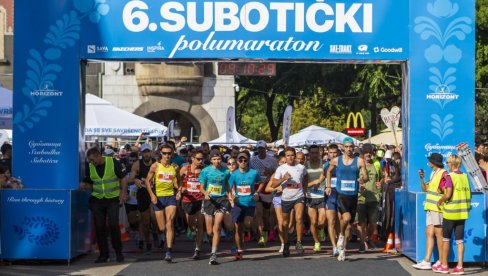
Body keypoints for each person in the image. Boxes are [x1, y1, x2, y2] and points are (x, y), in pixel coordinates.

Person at [82, 147, 128, 263]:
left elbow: (123, 178)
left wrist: (123, 192)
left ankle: (118, 252)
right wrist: (83, 185)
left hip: (112, 199)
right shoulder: (90, 166)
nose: (92, 162)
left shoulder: (113, 162)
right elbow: (90, 181)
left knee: (113, 225)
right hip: (97, 200)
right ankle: (103, 255)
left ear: (98, 156)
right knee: (99, 227)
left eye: (93, 160)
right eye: (90, 161)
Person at [326, 137, 368, 261]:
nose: (349, 149)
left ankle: (342, 246)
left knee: (349, 225)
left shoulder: (359, 161)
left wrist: (362, 180)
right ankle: (341, 237)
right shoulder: (336, 160)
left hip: (353, 196)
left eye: (351, 147)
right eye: (347, 147)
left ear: (354, 148)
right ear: (343, 148)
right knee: (347, 217)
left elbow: (366, 176)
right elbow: (328, 172)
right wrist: (328, 185)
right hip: (341, 195)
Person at [434, 154, 471, 274]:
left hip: (450, 213)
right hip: (462, 213)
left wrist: (439, 201)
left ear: (452, 164)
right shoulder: (465, 176)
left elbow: (448, 194)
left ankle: (444, 265)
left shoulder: (450, 176)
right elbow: (468, 194)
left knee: (446, 239)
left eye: (448, 162)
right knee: (460, 240)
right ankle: (460, 266)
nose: (447, 164)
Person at [145, 144, 180, 262]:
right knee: (161, 227)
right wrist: (152, 195)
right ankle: (159, 234)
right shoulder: (155, 166)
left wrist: (179, 190)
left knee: (169, 223)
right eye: (164, 153)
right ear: (161, 153)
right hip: (158, 197)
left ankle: (169, 251)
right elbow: (147, 181)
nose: (167, 156)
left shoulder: (175, 167)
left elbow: (177, 181)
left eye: (169, 153)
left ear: (172, 153)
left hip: (170, 197)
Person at [413, 153, 447, 270]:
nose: (428, 162)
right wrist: (421, 178)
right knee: (429, 233)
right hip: (430, 207)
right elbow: (425, 189)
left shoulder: (443, 173)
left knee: (439, 234)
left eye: (430, 161)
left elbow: (446, 190)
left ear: (434, 162)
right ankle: (427, 260)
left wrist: (441, 190)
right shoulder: (433, 172)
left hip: (438, 208)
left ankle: (442, 262)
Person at [272, 147, 308, 257]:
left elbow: (305, 177)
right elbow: (273, 184)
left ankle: (298, 242)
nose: (290, 157)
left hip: (299, 196)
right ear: (285, 157)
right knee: (284, 223)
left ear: (295, 155)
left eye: (292, 155)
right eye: (288, 155)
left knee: (298, 218)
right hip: (286, 198)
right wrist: (284, 179)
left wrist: (305, 189)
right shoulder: (281, 168)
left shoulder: (301, 167)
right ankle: (286, 243)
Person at [199, 149, 232, 265]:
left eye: (218, 159)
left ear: (221, 159)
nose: (217, 161)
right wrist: (205, 193)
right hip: (209, 200)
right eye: (214, 159)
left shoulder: (225, 171)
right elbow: (201, 187)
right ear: (210, 160)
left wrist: (230, 196)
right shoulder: (205, 171)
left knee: (216, 227)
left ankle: (213, 254)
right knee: (209, 231)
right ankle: (212, 241)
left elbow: (227, 184)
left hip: (221, 200)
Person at [229, 151, 262, 260]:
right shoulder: (234, 174)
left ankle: (247, 235)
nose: (243, 162)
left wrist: (257, 192)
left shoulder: (253, 173)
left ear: (248, 161)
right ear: (237, 162)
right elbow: (228, 188)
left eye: (245, 160)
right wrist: (231, 196)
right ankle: (239, 250)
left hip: (249, 203)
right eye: (240, 160)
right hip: (238, 204)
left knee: (247, 224)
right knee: (237, 228)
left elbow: (261, 182)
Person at [128, 144, 156, 252]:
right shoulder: (137, 164)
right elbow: (130, 179)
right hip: (143, 193)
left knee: (154, 218)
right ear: (141, 153)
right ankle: (148, 242)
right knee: (145, 221)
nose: (146, 154)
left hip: (155, 192)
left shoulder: (156, 164)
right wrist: (135, 180)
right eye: (144, 152)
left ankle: (157, 233)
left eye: (148, 152)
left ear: (151, 152)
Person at [250, 140, 278, 247]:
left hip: (267, 188)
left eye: (262, 148)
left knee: (266, 215)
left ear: (266, 149)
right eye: (259, 148)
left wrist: (270, 173)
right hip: (257, 188)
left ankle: (266, 231)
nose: (261, 150)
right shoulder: (253, 160)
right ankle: (261, 235)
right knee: (258, 213)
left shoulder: (272, 160)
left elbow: (277, 173)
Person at [179, 150, 206, 260]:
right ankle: (191, 230)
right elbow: (178, 183)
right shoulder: (185, 169)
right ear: (192, 159)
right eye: (198, 159)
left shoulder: (204, 170)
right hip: (187, 200)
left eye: (202, 159)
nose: (200, 161)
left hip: (200, 200)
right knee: (191, 224)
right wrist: (181, 189)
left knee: (200, 224)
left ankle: (197, 250)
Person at [357, 146, 382, 252]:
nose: (368, 154)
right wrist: (358, 185)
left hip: (374, 197)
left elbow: (380, 178)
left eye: (370, 152)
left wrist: (380, 183)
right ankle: (362, 243)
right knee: (361, 223)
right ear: (363, 154)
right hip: (361, 198)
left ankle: (368, 238)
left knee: (373, 223)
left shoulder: (376, 165)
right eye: (366, 152)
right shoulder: (358, 165)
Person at [304, 145, 326, 252]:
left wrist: (321, 181)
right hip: (310, 196)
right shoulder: (306, 165)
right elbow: (303, 183)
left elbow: (327, 175)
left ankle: (321, 229)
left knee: (321, 221)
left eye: (316, 153)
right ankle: (317, 242)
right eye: (312, 153)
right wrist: (314, 183)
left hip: (322, 196)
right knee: (313, 222)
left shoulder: (324, 164)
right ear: (309, 154)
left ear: (319, 153)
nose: (314, 155)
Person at [265, 156, 287, 253]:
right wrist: (276, 189)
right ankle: (283, 244)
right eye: (282, 162)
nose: (283, 164)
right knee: (281, 223)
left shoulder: (293, 172)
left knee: (289, 224)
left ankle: (289, 239)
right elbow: (267, 189)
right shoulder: (275, 174)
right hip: (278, 199)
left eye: (285, 162)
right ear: (278, 163)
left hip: (291, 199)